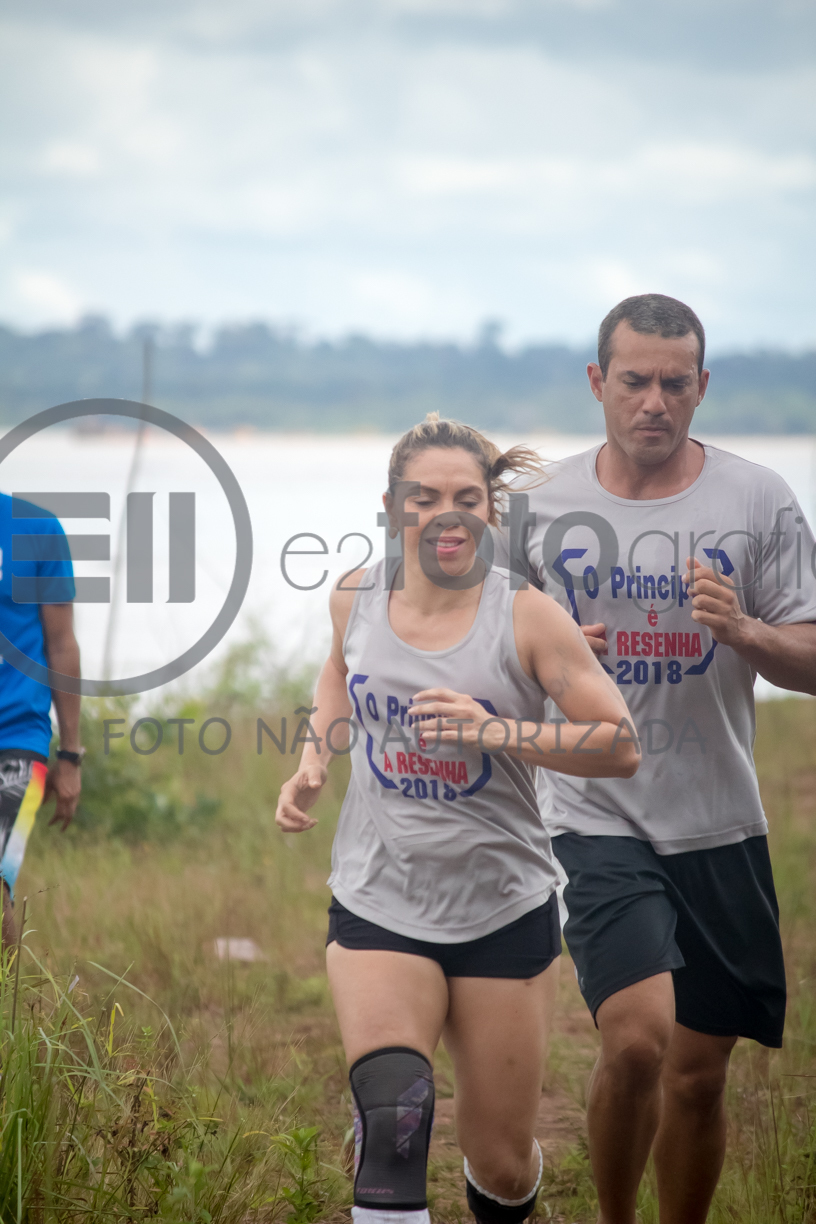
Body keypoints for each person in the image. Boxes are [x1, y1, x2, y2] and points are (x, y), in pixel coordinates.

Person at [276, 416, 639, 1224]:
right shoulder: (354, 596)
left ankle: (508, 1184)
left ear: (490, 510)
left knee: (500, 1163)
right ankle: (385, 1143)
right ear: (390, 505)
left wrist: (496, 731)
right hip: (379, 896)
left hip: (501, 906)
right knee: (394, 1117)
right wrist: (314, 758)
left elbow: (621, 745)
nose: (446, 515)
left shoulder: (528, 616)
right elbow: (338, 671)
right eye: (424, 497)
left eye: (467, 499)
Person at [501, 293, 816, 1224]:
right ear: (597, 382)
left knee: (699, 1074)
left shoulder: (757, 498)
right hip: (592, 812)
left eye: (675, 384)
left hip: (718, 817)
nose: (654, 402)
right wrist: (553, 660)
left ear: (702, 386)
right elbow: (475, 656)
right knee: (638, 1041)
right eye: (634, 380)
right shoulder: (536, 508)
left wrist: (746, 631)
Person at [0, 491, 82, 946]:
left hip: (17, 735)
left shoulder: (37, 529)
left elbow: (62, 644)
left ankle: (8, 995)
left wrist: (69, 755)